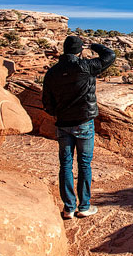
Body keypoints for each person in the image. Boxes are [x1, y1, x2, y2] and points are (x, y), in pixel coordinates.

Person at [42, 36, 116, 219]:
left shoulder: (52, 73)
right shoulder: (86, 66)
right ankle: (84, 207)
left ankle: (68, 208)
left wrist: (57, 113)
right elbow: (110, 55)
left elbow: (47, 102)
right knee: (84, 164)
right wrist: (93, 45)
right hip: (83, 122)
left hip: (63, 124)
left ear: (64, 50)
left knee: (65, 164)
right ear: (79, 51)